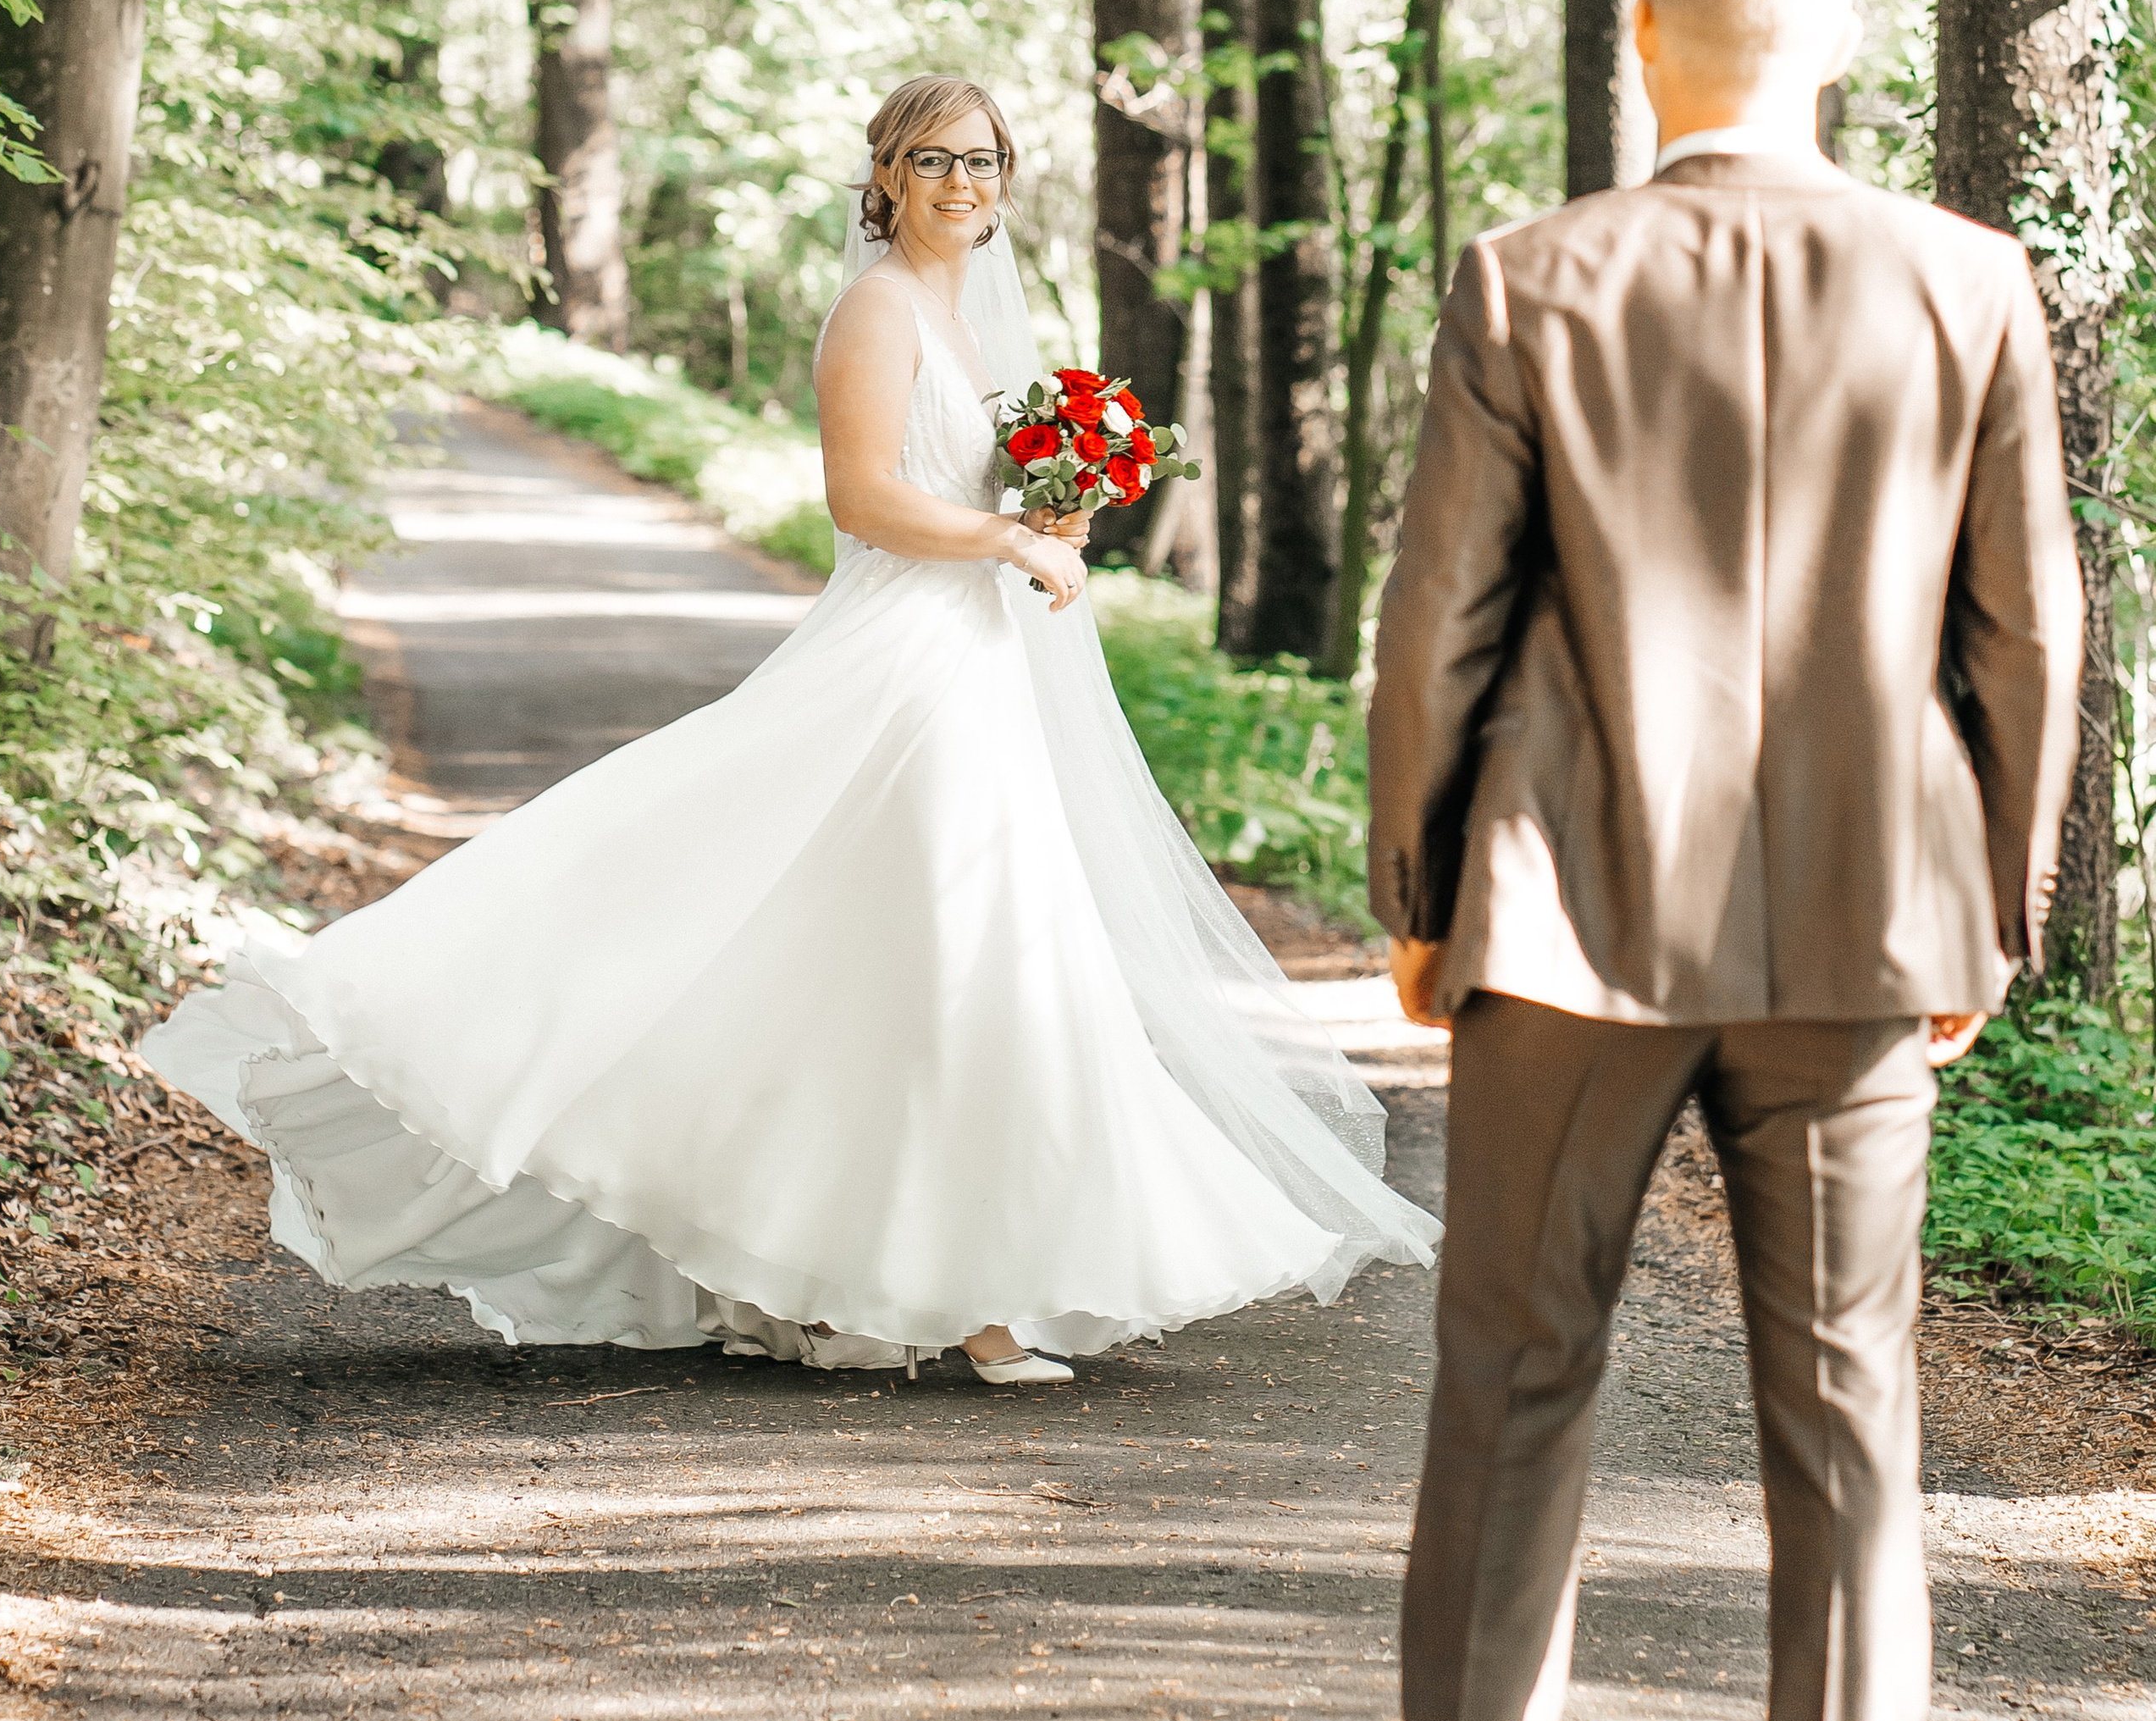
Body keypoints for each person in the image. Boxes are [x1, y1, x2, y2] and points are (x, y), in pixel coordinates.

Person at [146, 75, 1435, 1386]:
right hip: (902, 662)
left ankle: (900, 1272)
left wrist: (1052, 512)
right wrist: (1005, 537)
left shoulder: (967, 321)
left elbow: (966, 489)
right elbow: (864, 498)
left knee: (927, 960)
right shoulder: (877, 312)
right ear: (886, 177)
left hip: (980, 661)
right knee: (943, 958)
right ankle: (969, 1303)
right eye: (932, 161)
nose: (960, 184)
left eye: (982, 161)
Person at [1330, 0, 2081, 1721]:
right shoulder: (1964, 280)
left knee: (1510, 1378)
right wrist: (1986, 912)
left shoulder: (1531, 277)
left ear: (1640, 39)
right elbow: (2024, 630)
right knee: (1845, 1407)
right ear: (1832, 47)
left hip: (1567, 909)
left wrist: (1419, 894)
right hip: (1863, 918)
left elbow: (1438, 619)